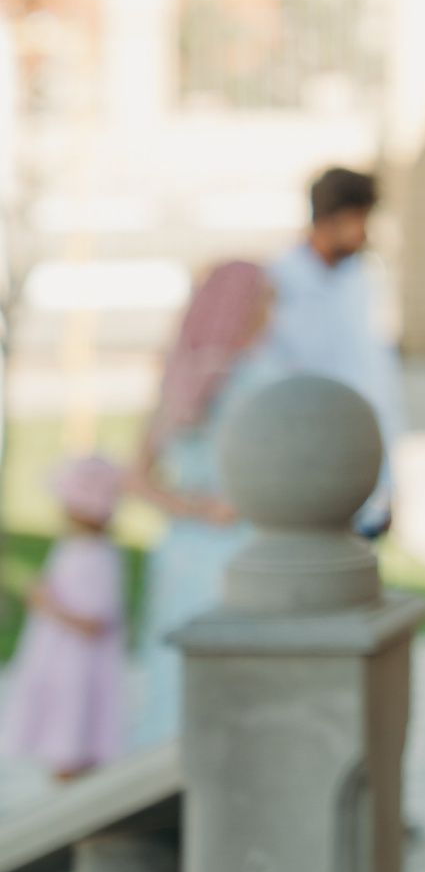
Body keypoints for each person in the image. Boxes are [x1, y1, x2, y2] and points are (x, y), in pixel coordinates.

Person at [128, 259, 283, 747]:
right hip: (237, 555)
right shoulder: (257, 381)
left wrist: (191, 508)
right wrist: (214, 508)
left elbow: (136, 478)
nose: (272, 315)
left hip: (180, 554)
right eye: (265, 302)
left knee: (179, 678)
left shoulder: (178, 380)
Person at [265, 167, 404, 536]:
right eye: (358, 220)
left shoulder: (363, 280)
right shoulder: (278, 283)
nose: (364, 233)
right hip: (305, 462)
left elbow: (379, 380)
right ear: (330, 219)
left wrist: (391, 481)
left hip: (361, 457)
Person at [1, 457, 130, 779]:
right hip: (56, 662)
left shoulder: (98, 556)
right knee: (59, 740)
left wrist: (46, 604)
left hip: (76, 669)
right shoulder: (72, 547)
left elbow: (94, 623)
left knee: (71, 737)